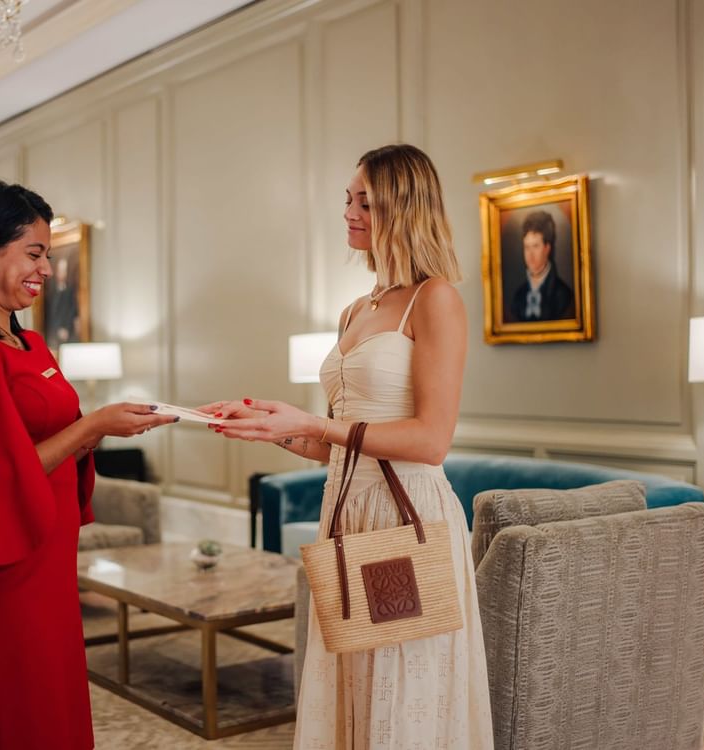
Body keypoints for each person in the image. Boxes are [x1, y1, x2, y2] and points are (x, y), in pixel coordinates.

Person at [202, 145, 493, 749]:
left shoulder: (435, 299)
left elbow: (431, 441)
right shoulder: (355, 310)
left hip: (400, 518)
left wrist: (316, 422)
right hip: (347, 513)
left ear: (402, 206)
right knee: (355, 684)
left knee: (397, 683)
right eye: (347, 199)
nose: (349, 212)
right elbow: (338, 443)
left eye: (365, 200)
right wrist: (269, 424)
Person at [0, 180, 177, 750]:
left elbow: (54, 443)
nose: (46, 270)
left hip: (49, 554)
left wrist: (109, 427)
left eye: (49, 256)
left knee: (57, 707)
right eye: (34, 254)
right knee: (21, 716)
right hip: (1, 564)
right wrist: (94, 426)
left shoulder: (32, 346)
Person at [508, 209, 574, 322]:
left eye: (535, 246)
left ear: (547, 248)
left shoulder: (563, 295)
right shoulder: (518, 297)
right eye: (527, 247)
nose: (530, 255)